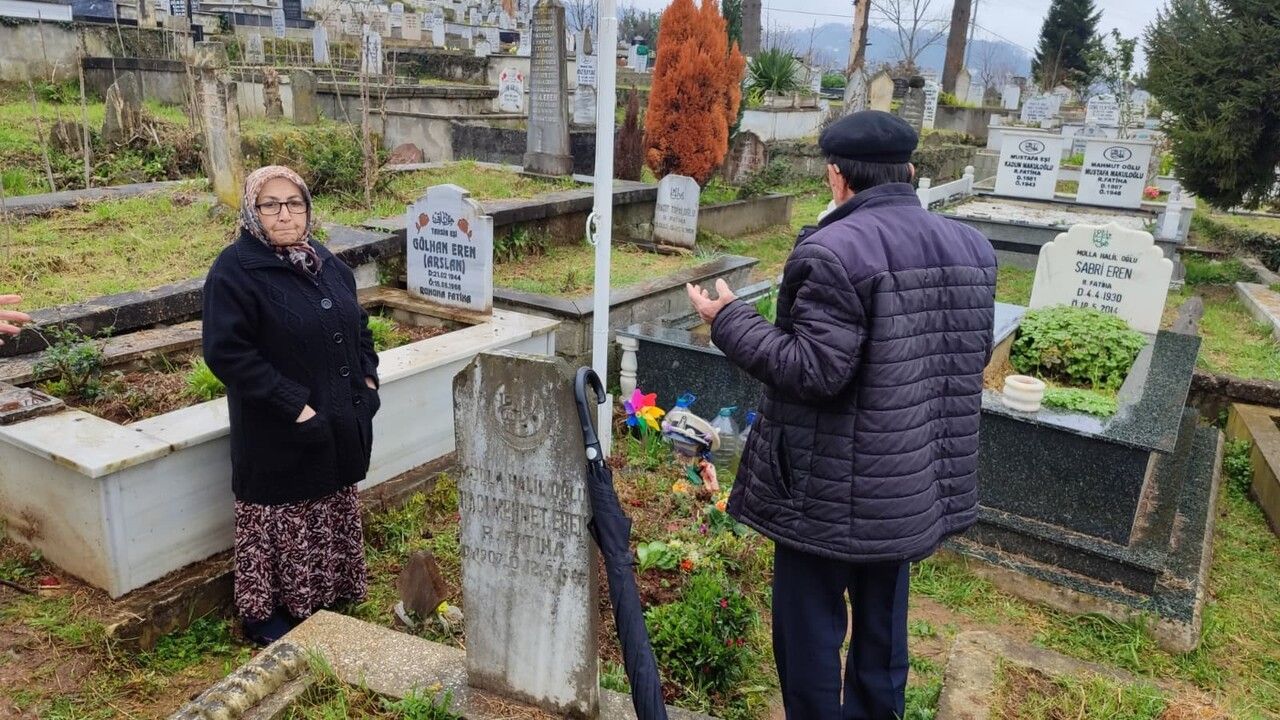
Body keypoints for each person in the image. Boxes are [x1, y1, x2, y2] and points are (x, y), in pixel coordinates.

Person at [686, 111, 996, 719]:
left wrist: (728, 319)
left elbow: (813, 370)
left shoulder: (834, 251)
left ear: (837, 175)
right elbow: (965, 354)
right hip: (907, 482)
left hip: (823, 489)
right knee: (882, 635)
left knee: (809, 639)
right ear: (907, 171)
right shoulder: (972, 248)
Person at [202, 166, 380, 646]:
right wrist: (294, 405)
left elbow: (358, 323)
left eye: (295, 203)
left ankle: (328, 590)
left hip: (337, 419)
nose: (285, 214)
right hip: (277, 428)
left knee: (329, 501)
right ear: (252, 211)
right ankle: (267, 611)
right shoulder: (235, 270)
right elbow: (227, 353)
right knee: (283, 514)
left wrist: (367, 379)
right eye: (271, 204)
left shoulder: (322, 260)